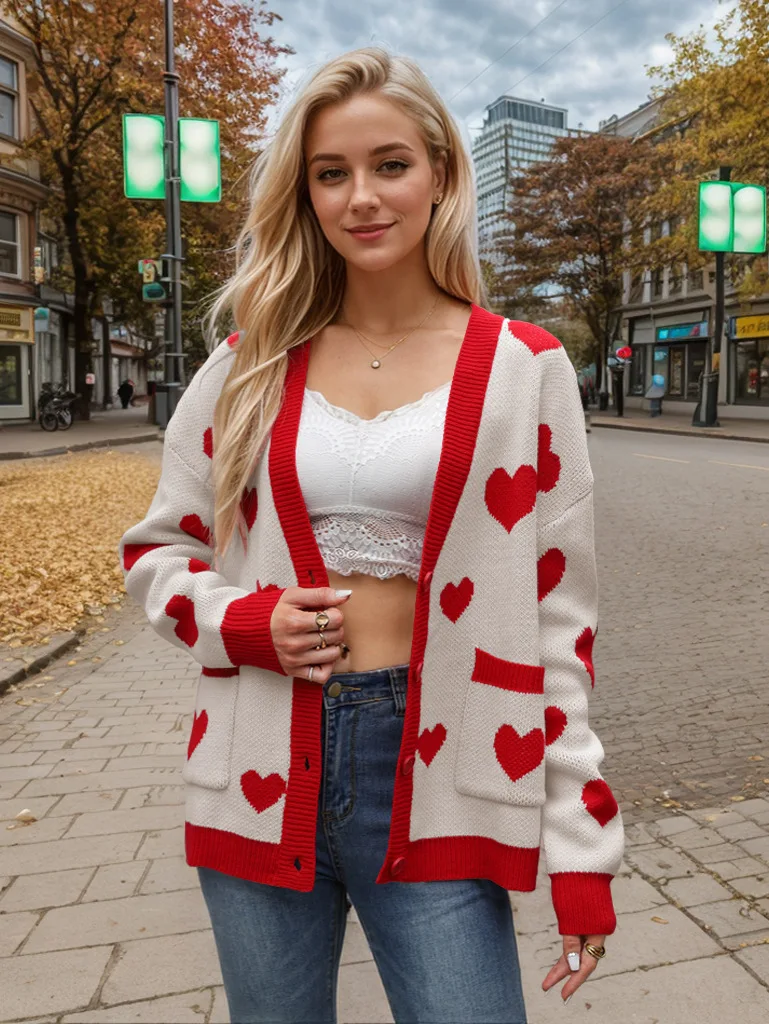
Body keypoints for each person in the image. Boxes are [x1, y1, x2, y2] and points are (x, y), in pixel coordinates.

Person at [118, 46, 624, 1024]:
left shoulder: (526, 373)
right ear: (303, 194)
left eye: (390, 164)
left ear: (439, 172)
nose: (362, 196)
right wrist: (245, 621)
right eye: (330, 172)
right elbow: (154, 556)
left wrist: (582, 848)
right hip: (259, 763)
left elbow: (559, 627)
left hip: (441, 781)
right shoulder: (244, 367)